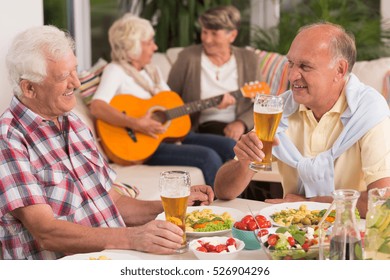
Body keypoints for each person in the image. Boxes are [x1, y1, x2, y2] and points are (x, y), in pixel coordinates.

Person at [0, 25, 214, 260]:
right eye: (63, 77)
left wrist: (172, 204)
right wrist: (132, 238)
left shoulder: (73, 123)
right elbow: (46, 232)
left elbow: (112, 201)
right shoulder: (9, 139)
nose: (77, 83)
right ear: (29, 88)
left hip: (111, 257)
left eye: (75, 71)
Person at [214, 22, 390, 217]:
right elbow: (223, 191)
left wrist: (310, 205)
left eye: (305, 66)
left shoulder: (369, 111)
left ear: (340, 70)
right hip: (290, 234)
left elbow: (383, 200)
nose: (292, 75)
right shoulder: (276, 111)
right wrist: (243, 163)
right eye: (291, 64)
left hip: (354, 232)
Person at [89, 14, 235, 187]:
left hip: (167, 136)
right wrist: (136, 123)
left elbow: (173, 105)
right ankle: (215, 209)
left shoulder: (152, 71)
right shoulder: (116, 70)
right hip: (145, 146)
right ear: (133, 46)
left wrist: (212, 103)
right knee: (208, 157)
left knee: (231, 147)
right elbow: (97, 107)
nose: (155, 47)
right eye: (150, 42)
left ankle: (241, 201)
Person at [167, 5, 263, 141]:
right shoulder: (187, 57)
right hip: (200, 128)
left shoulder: (249, 59)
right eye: (205, 32)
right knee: (233, 148)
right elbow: (168, 98)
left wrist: (241, 123)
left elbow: (262, 103)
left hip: (239, 129)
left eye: (214, 34)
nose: (207, 39)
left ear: (232, 35)